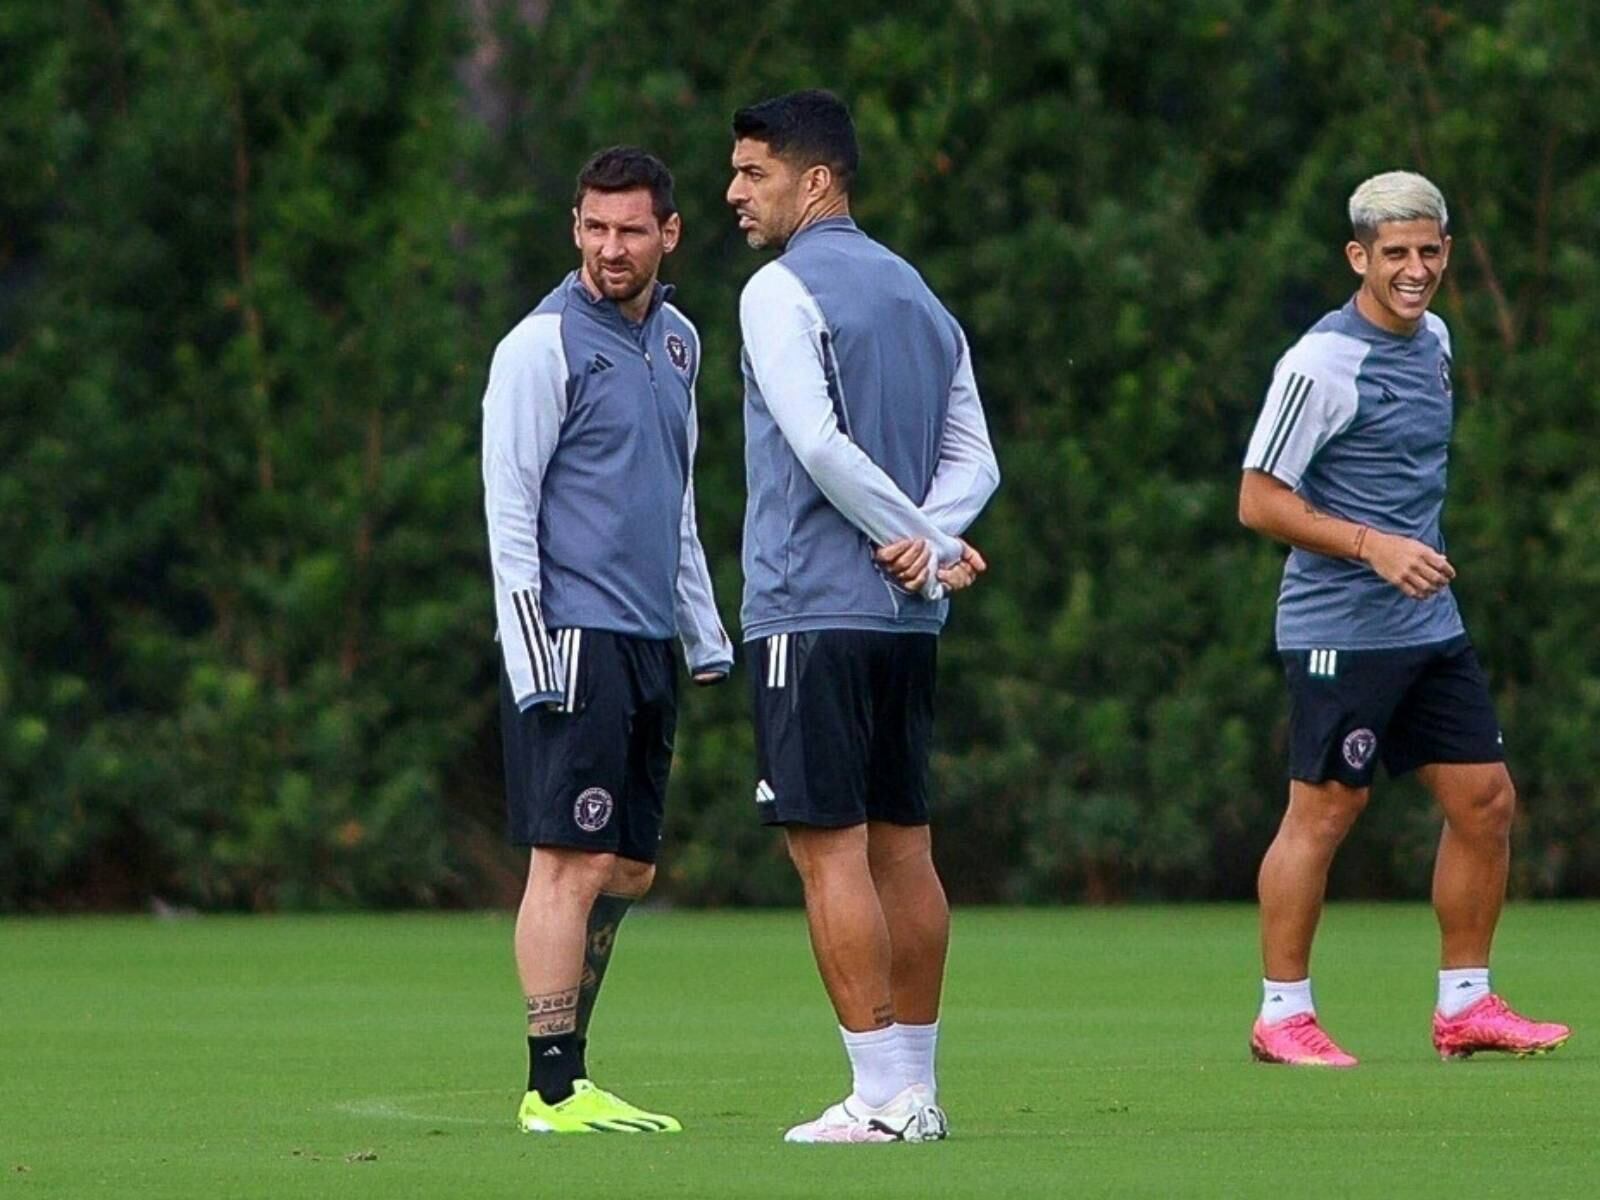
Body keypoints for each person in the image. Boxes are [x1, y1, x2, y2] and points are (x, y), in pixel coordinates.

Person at [1238, 170, 1569, 1067]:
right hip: (1338, 628)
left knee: (1486, 801)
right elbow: (1259, 501)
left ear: (1447, 251)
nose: (1415, 268)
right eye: (1395, 254)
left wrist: (1405, 556)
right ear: (1359, 257)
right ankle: (1281, 1015)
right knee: (1326, 811)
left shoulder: (1438, 342)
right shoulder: (1319, 363)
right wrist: (1371, 545)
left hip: (1428, 625)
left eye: (1429, 250)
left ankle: (1465, 1004)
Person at [727, 89, 1000, 1142]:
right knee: (903, 852)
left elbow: (818, 443)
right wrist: (932, 541)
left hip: (809, 610)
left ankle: (882, 1096)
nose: (734, 193)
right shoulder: (922, 295)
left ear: (817, 182)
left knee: (828, 853)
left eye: (753, 173)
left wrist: (920, 540)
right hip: (904, 621)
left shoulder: (775, 290)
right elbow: (977, 460)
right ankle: (917, 1092)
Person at [482, 146, 733, 1132]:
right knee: (568, 864)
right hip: (570, 640)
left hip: (643, 646)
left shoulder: (678, 341)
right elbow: (508, 512)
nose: (610, 247)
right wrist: (531, 653)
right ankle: (551, 1087)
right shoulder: (538, 345)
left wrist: (702, 632)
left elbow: (674, 501)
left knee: (626, 870)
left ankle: (569, 1071)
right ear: (574, 227)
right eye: (594, 227)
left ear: (668, 234)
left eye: (631, 229)